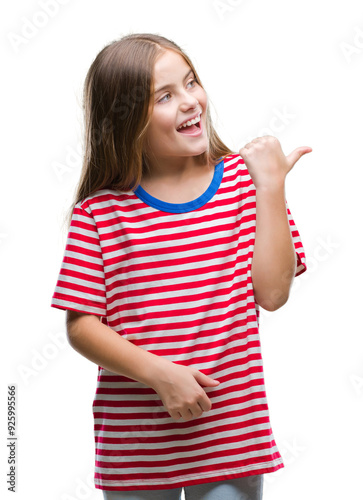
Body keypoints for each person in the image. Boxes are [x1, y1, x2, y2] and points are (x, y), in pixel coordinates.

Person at [51, 33, 312, 500]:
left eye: (191, 83)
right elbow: (82, 327)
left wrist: (271, 185)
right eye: (166, 96)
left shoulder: (242, 184)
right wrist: (160, 375)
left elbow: (272, 295)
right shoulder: (101, 213)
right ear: (126, 119)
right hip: (137, 450)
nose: (191, 101)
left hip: (232, 436)